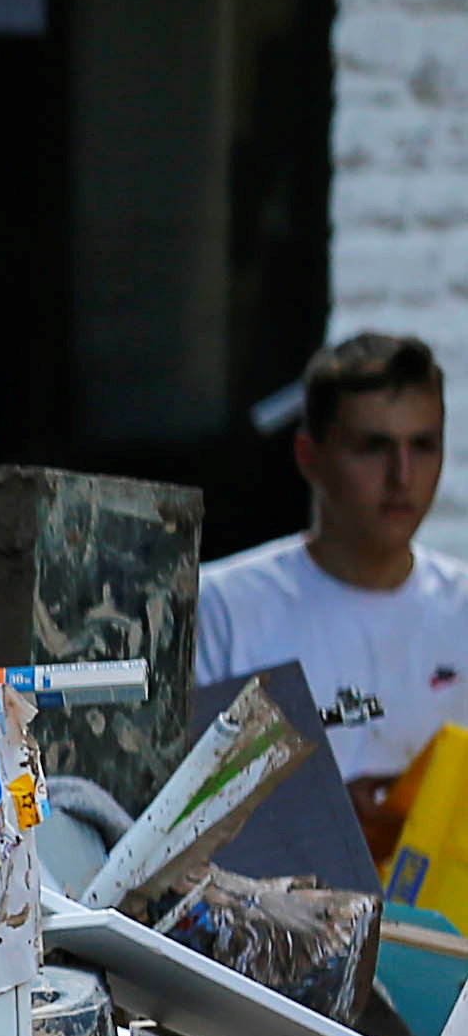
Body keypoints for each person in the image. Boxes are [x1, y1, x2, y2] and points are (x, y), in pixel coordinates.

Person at [196, 330, 468, 851]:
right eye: (373, 447)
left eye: (424, 445)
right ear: (308, 455)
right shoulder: (224, 608)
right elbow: (170, 819)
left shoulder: (459, 609)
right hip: (274, 921)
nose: (402, 476)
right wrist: (327, 820)